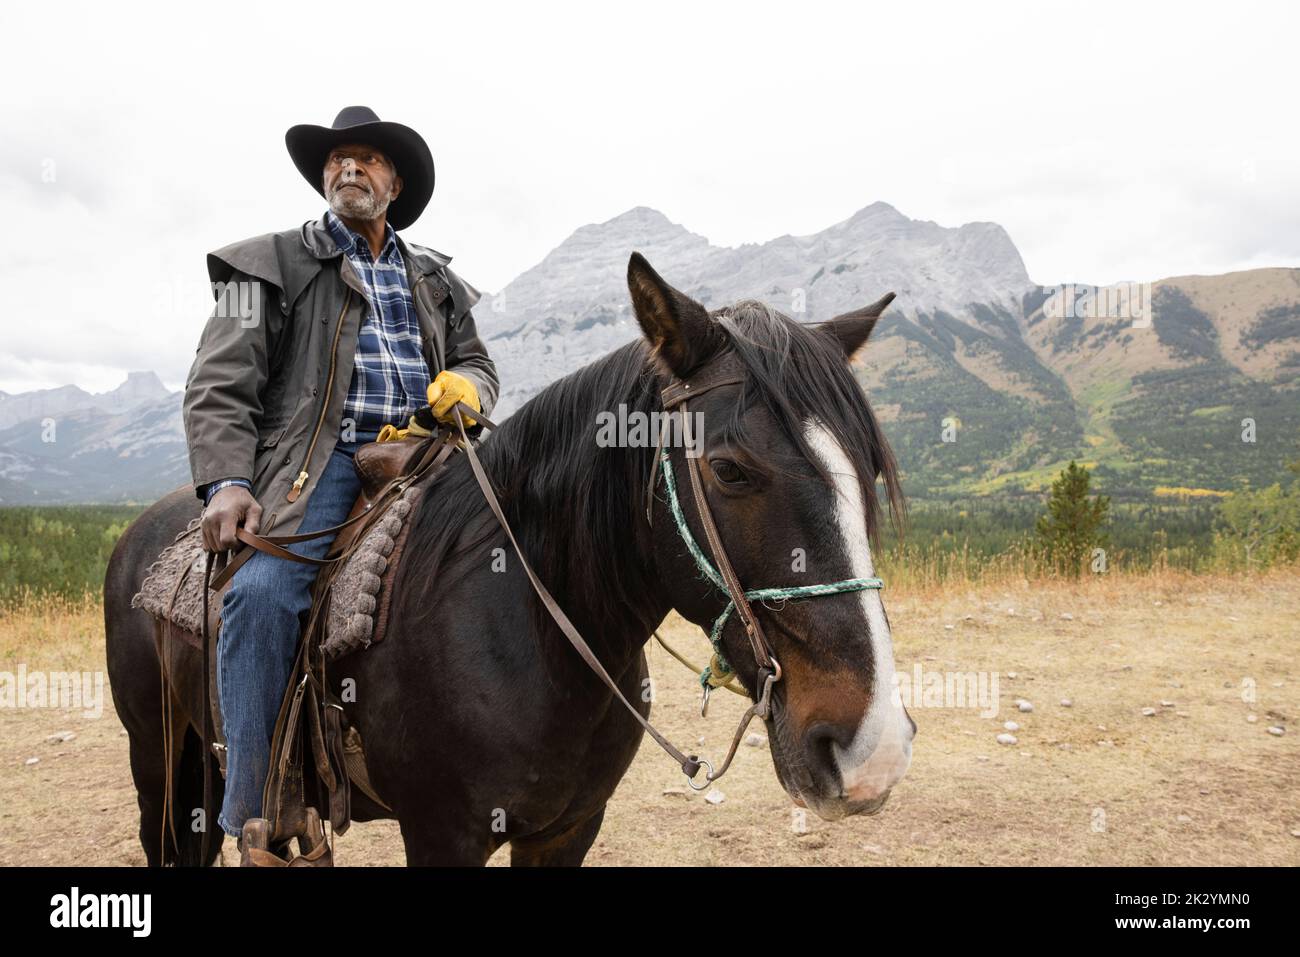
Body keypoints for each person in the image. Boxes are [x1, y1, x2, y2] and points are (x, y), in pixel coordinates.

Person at [182, 105, 499, 853]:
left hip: (431, 452)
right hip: (317, 462)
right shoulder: (263, 264)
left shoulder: (437, 279)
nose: (348, 168)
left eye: (367, 159)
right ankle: (258, 810)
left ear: (395, 183)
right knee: (260, 597)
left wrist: (469, 388)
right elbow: (216, 384)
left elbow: (480, 362)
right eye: (337, 159)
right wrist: (227, 479)